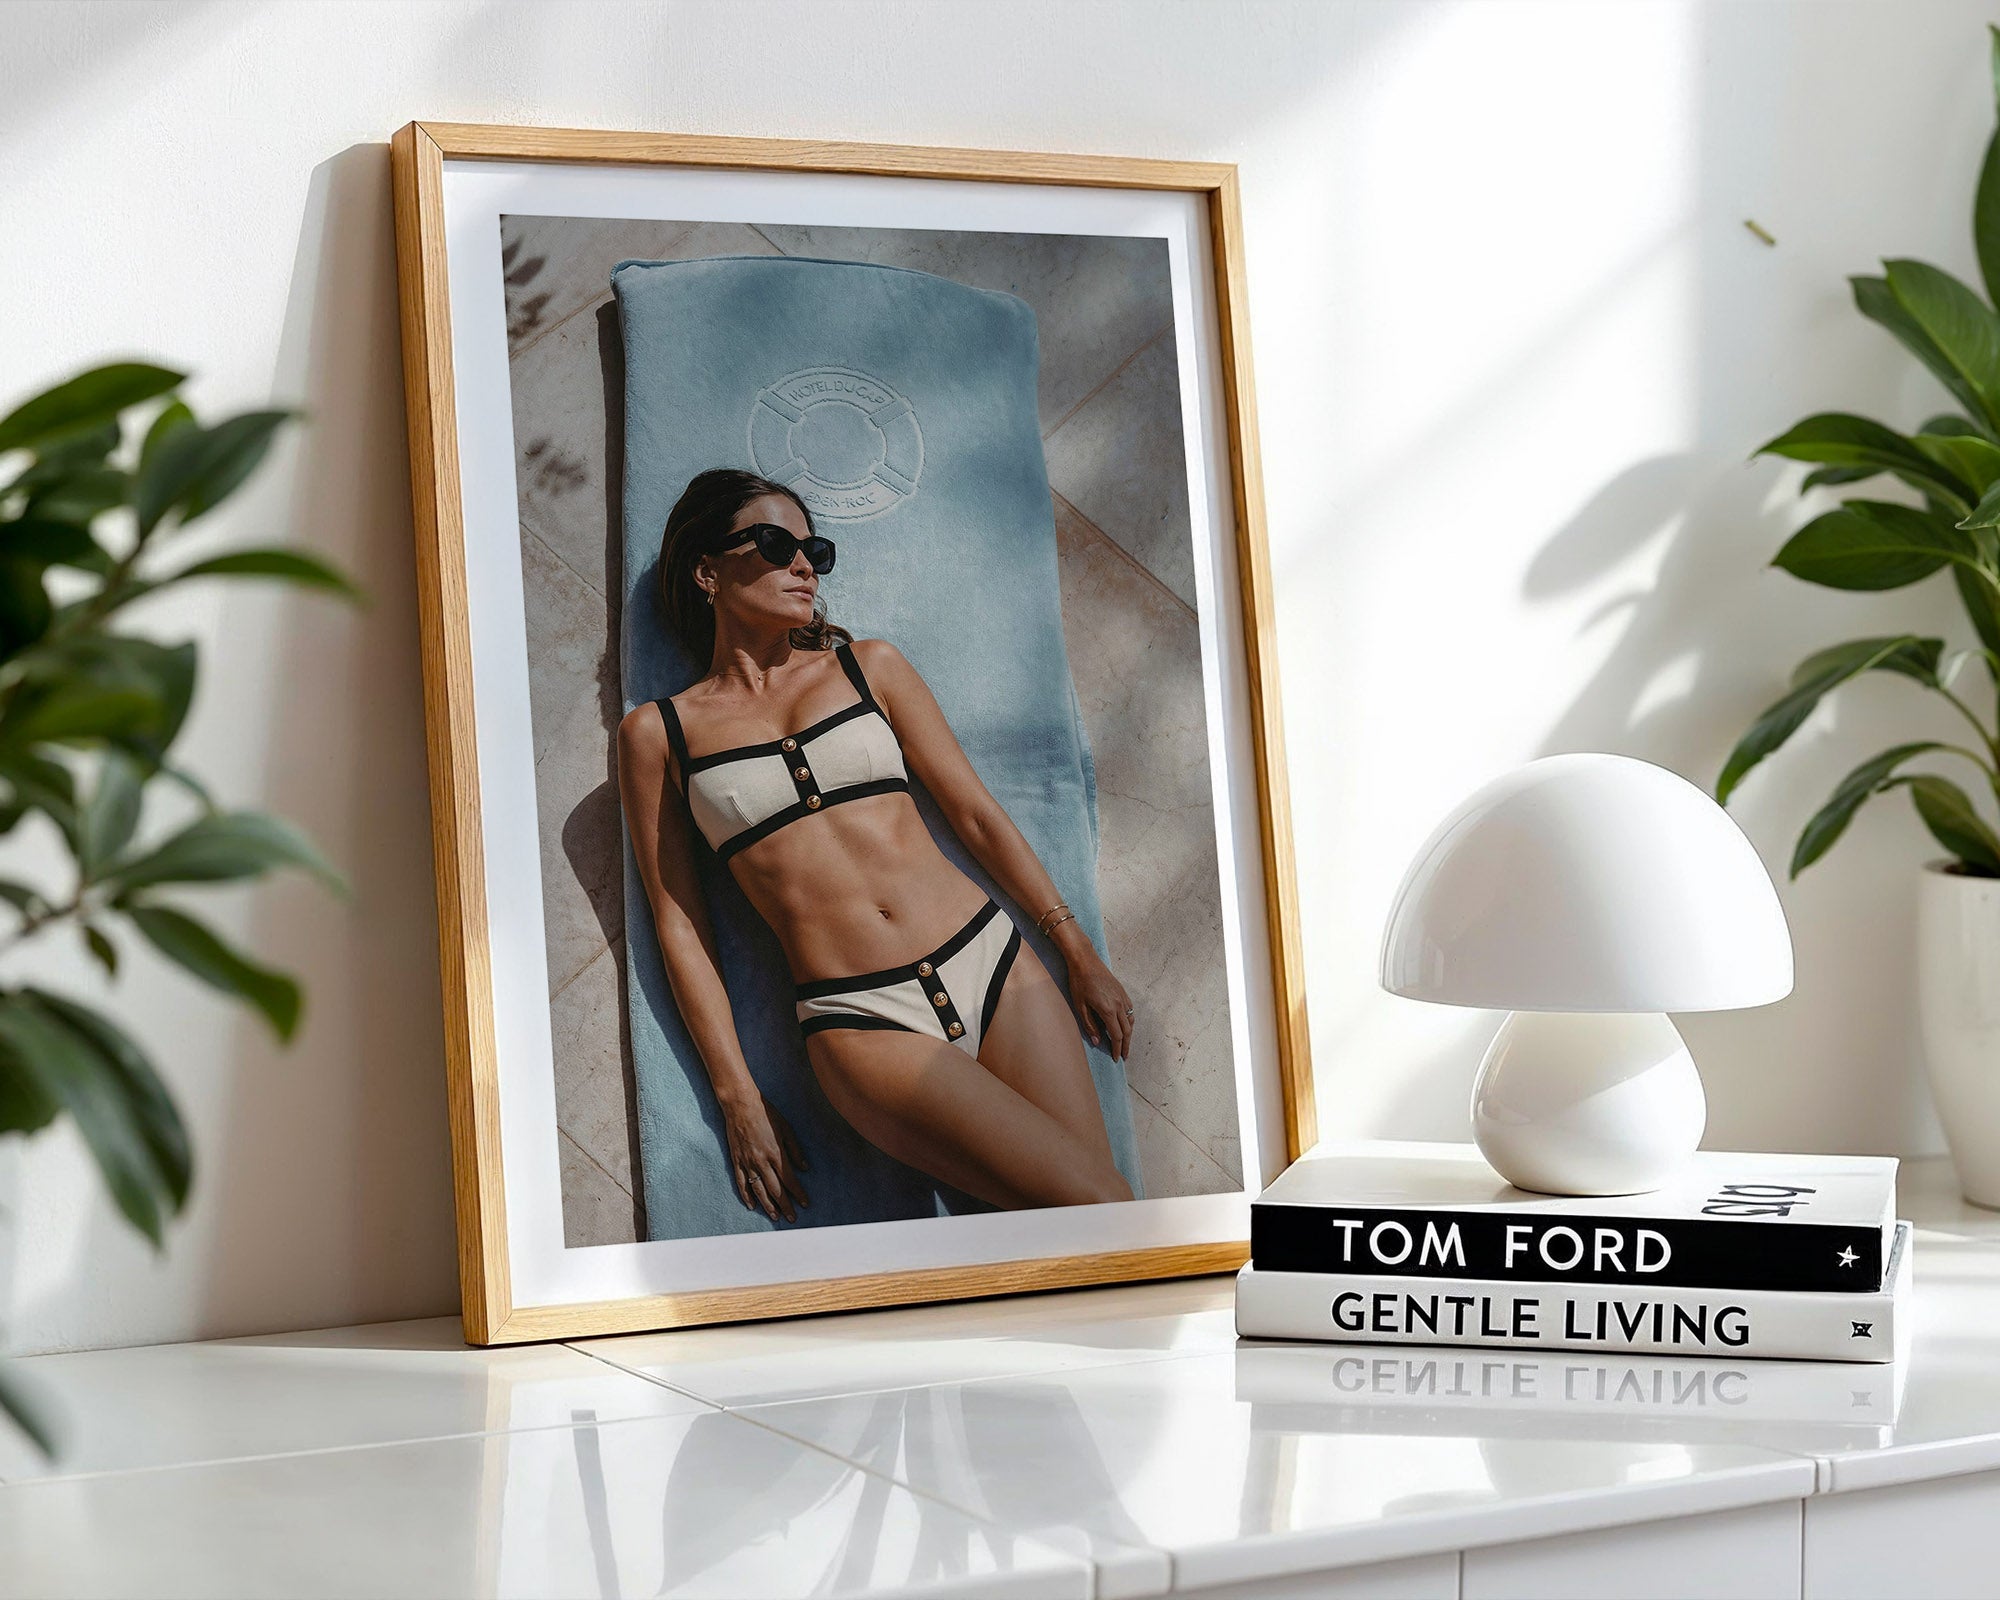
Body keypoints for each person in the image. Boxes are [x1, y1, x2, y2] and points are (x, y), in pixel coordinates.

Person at [618, 468, 1136, 1224]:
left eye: (814, 552)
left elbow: (976, 815)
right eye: (774, 544)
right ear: (707, 570)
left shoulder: (870, 666)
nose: (802, 566)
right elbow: (680, 924)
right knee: (1100, 1209)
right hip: (861, 1020)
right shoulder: (658, 735)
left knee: (1103, 1219)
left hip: (993, 964)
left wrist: (1075, 948)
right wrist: (737, 1098)